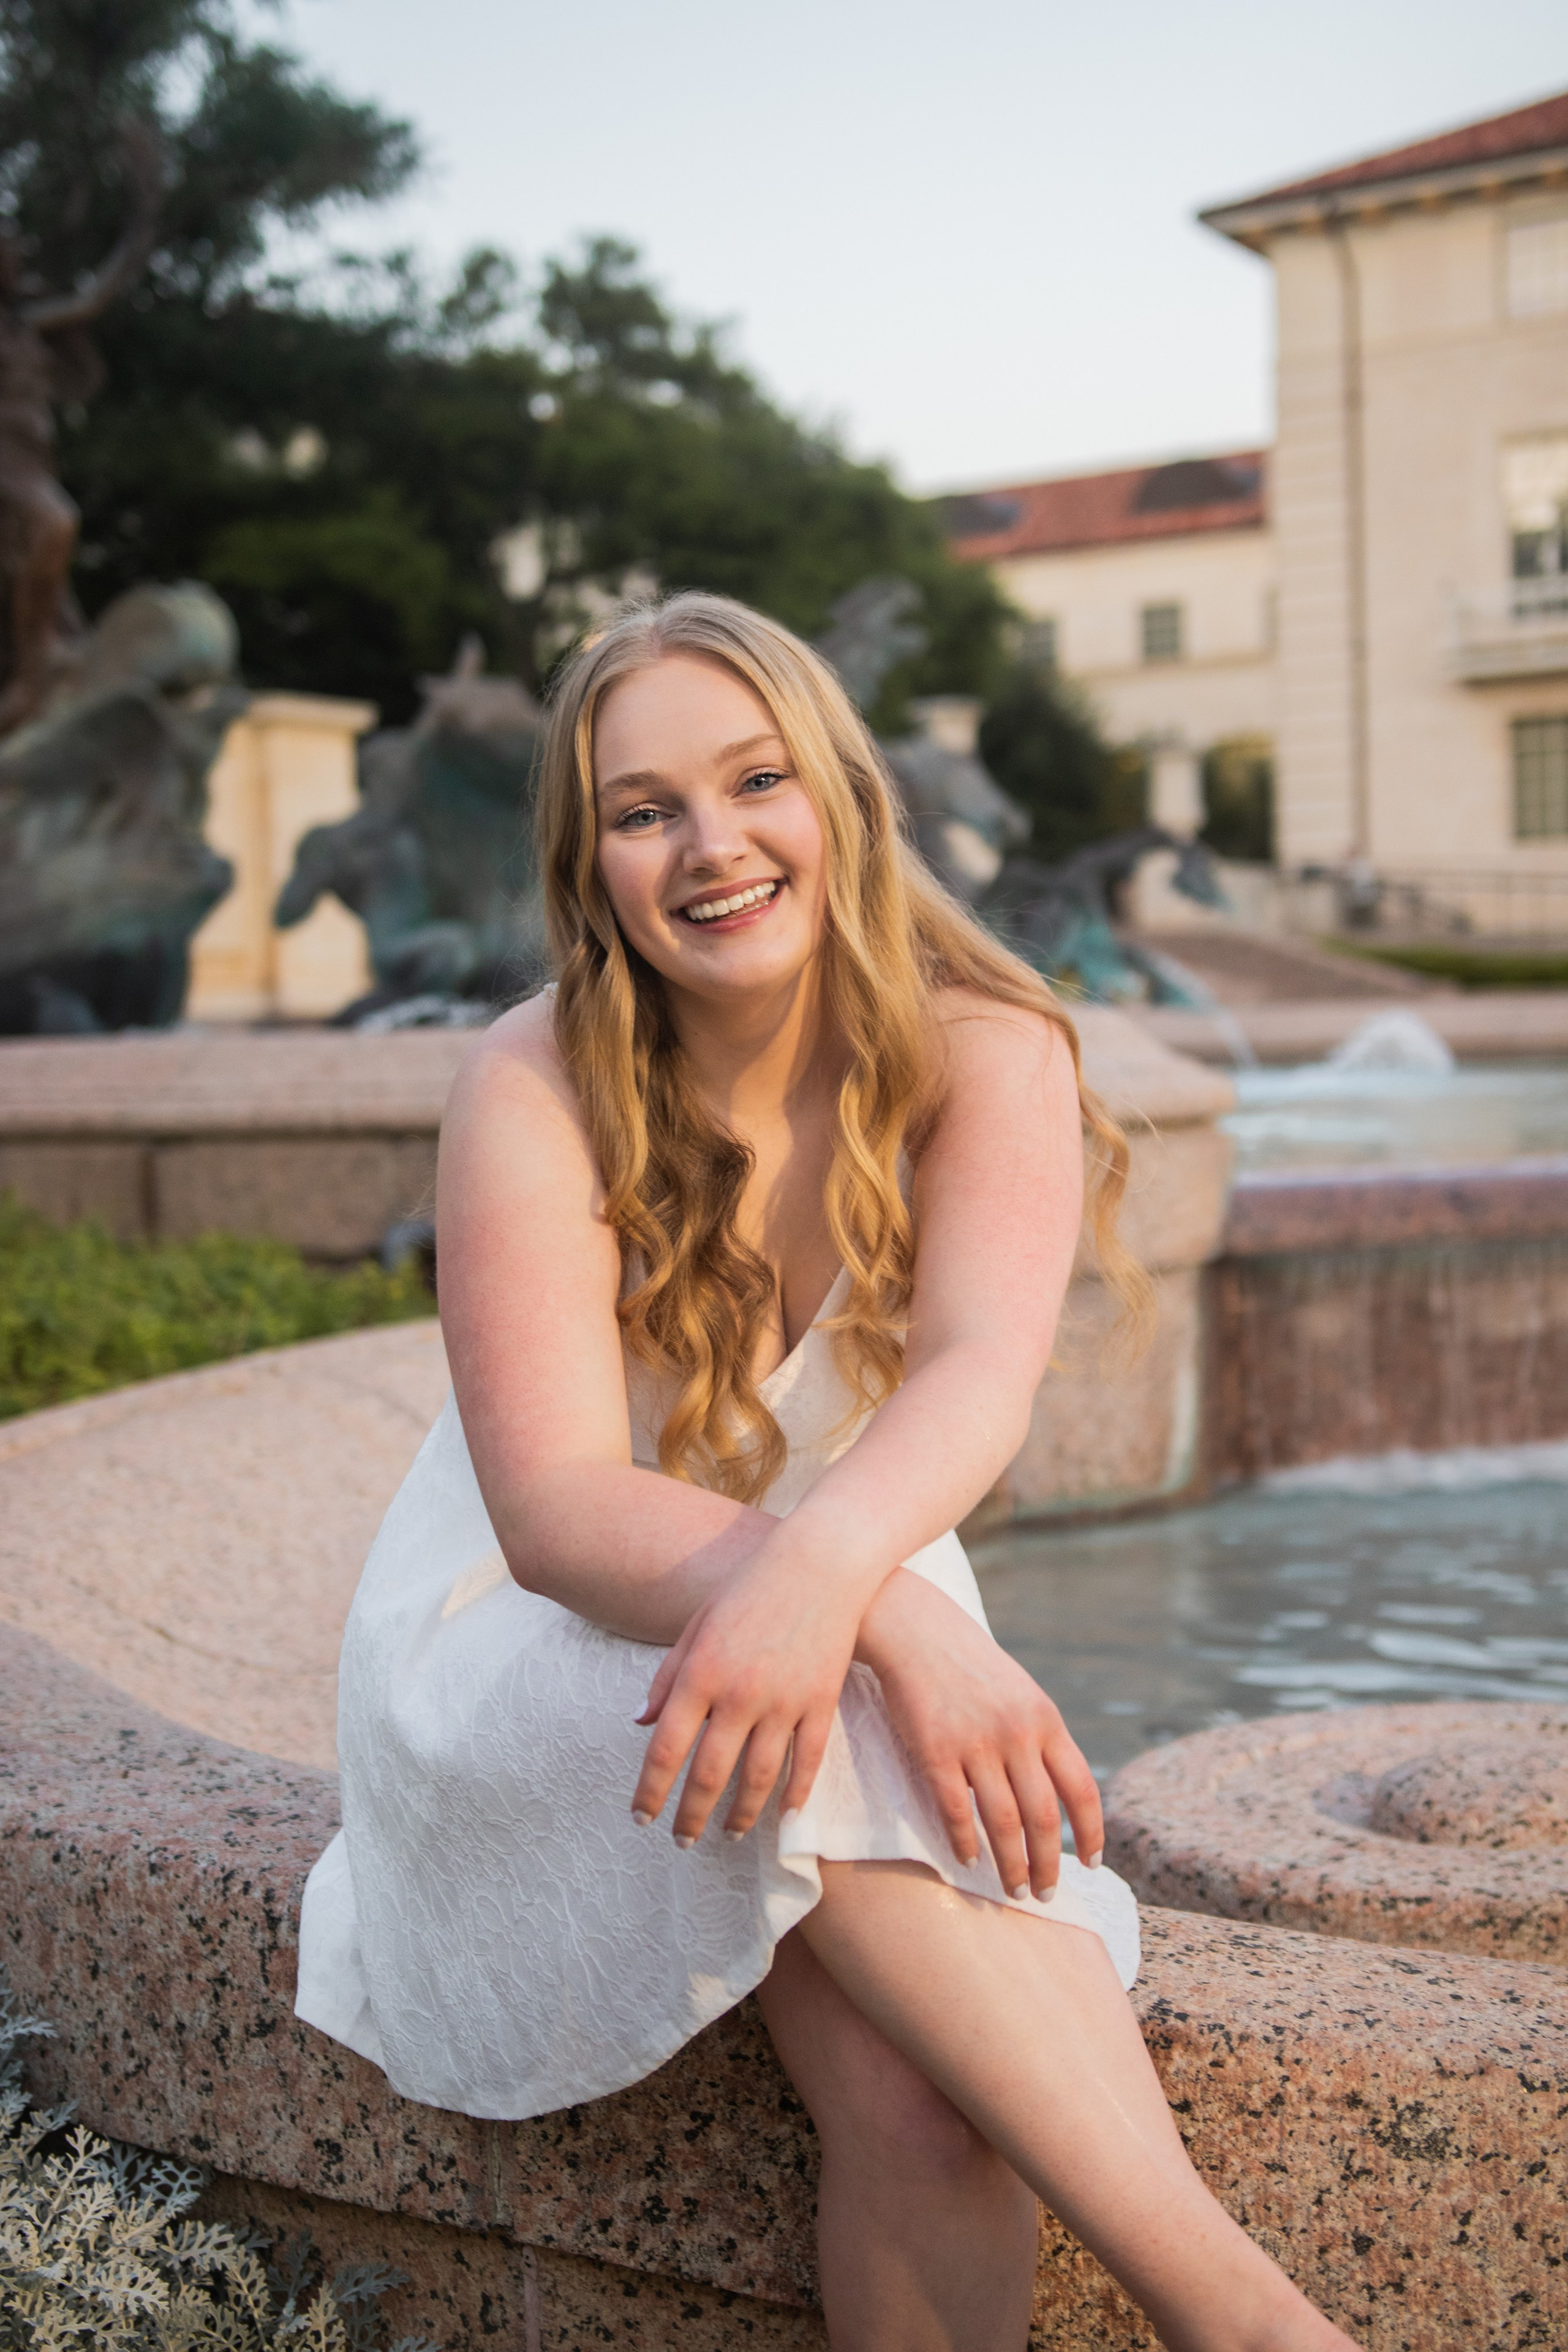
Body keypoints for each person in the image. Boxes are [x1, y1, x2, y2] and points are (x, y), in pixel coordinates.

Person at [296, 593, 1359, 2352]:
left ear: (844, 801)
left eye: (756, 780)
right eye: (645, 812)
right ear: (590, 865)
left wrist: (841, 1596)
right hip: (529, 1637)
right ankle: (1245, 2320)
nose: (711, 846)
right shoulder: (533, 1080)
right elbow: (557, 1512)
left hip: (827, 1587)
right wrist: (895, 1630)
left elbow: (973, 1380)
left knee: (933, 2107)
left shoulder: (988, 1047)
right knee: (839, 1708)